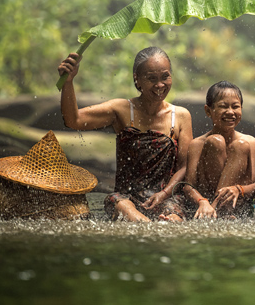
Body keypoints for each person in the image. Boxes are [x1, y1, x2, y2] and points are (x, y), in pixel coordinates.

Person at [58, 46, 193, 221]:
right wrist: (68, 82)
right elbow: (73, 120)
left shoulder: (181, 116)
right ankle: (143, 224)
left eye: (165, 77)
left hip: (167, 198)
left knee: (173, 221)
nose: (160, 85)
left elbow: (185, 167)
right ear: (137, 80)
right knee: (121, 205)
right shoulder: (121, 110)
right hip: (126, 199)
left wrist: (164, 194)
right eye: (151, 78)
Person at [182, 81, 255, 219]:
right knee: (214, 141)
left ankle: (219, 210)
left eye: (235, 106)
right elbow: (188, 186)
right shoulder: (196, 144)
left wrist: (238, 189)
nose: (230, 112)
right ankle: (216, 210)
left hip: (236, 205)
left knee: (240, 145)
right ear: (208, 111)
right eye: (223, 106)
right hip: (207, 202)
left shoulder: (250, 142)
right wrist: (202, 202)